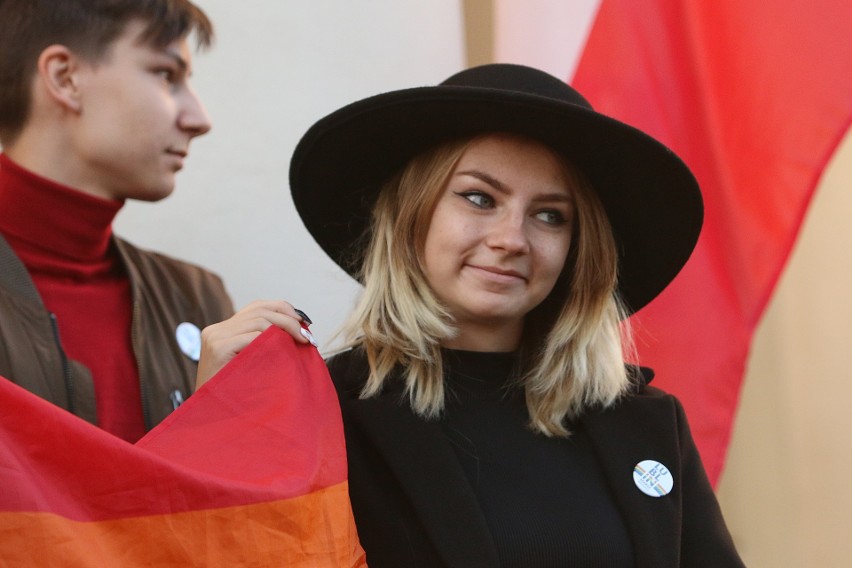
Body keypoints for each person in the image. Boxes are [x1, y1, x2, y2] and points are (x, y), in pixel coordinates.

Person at [288, 63, 745, 567]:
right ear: (410, 214)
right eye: (479, 198)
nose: (511, 239)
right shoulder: (321, 415)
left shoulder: (646, 423)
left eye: (550, 215)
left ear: (578, 249)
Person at [0, 0, 309, 442]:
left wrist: (218, 425)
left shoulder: (197, 299)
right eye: (166, 74)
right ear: (65, 78)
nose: (199, 119)